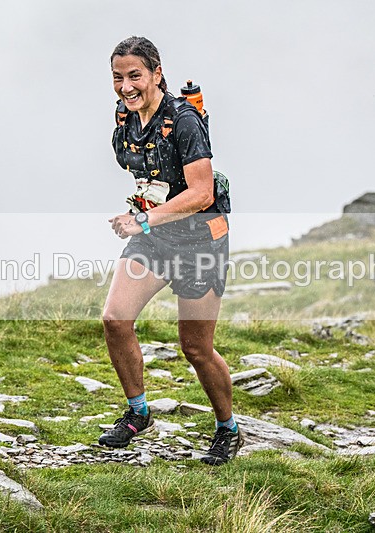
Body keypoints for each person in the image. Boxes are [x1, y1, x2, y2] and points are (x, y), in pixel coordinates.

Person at [99, 36, 242, 465]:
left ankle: (228, 429)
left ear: (157, 74)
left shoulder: (184, 121)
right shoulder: (126, 117)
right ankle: (139, 413)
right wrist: (145, 217)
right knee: (115, 319)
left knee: (195, 347)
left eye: (135, 76)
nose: (126, 86)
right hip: (156, 237)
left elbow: (201, 193)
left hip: (200, 242)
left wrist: (142, 220)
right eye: (118, 77)